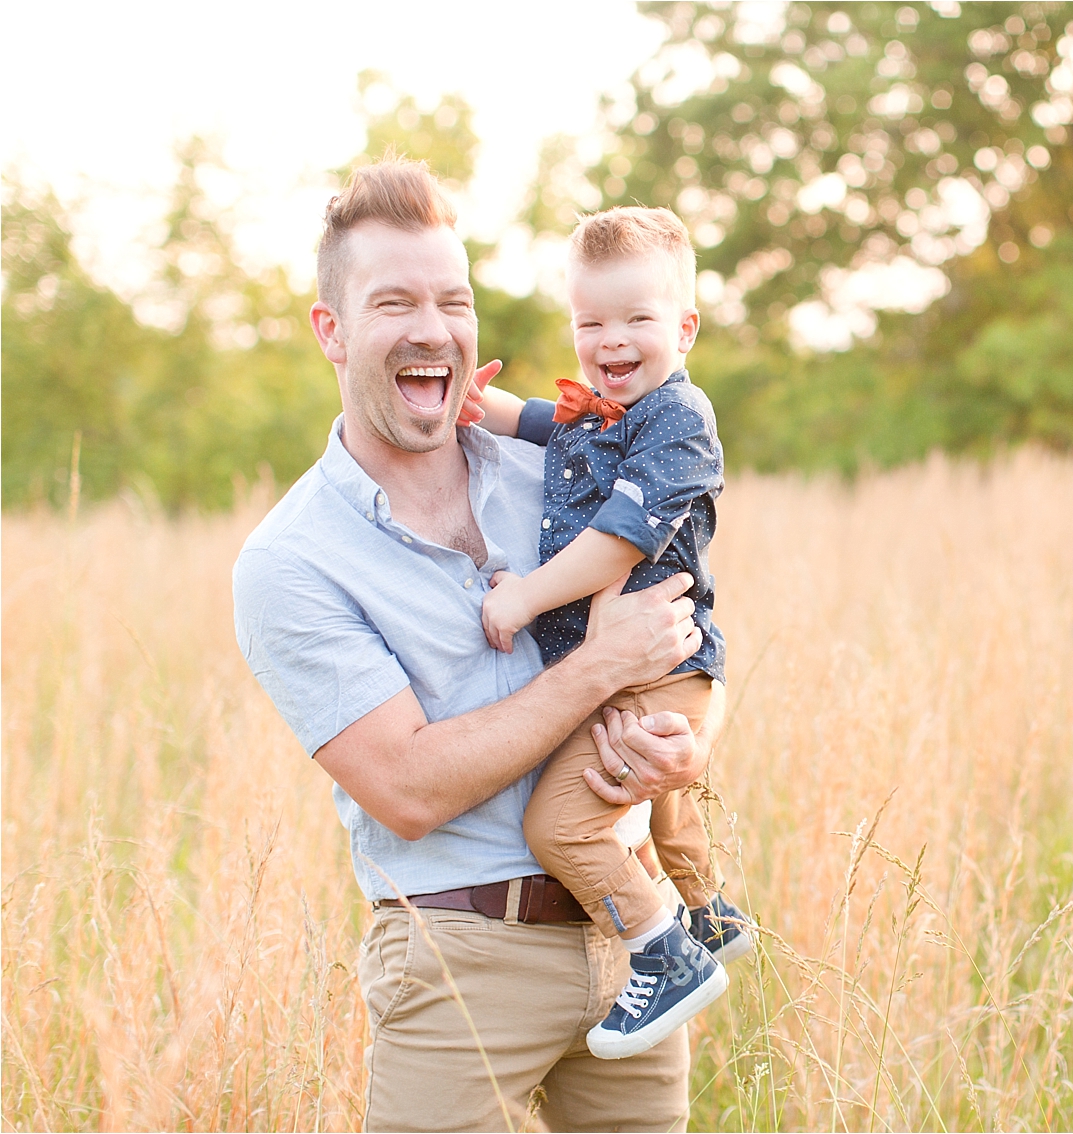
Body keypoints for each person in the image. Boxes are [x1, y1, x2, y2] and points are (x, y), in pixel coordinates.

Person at [232, 157, 716, 1132]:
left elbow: (680, 619)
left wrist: (681, 747)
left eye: (453, 301)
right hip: (459, 963)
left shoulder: (560, 470)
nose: (431, 328)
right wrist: (601, 669)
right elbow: (408, 790)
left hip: (626, 938)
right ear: (331, 329)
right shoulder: (292, 560)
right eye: (393, 302)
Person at [469, 206, 752, 1061]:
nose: (612, 339)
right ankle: (710, 914)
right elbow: (555, 428)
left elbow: (620, 539)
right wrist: (487, 409)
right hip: (643, 664)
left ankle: (662, 952)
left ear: (685, 326)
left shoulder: (678, 417)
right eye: (592, 321)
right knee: (665, 798)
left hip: (657, 663)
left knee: (558, 828)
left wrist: (522, 602)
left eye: (638, 319)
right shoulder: (607, 412)